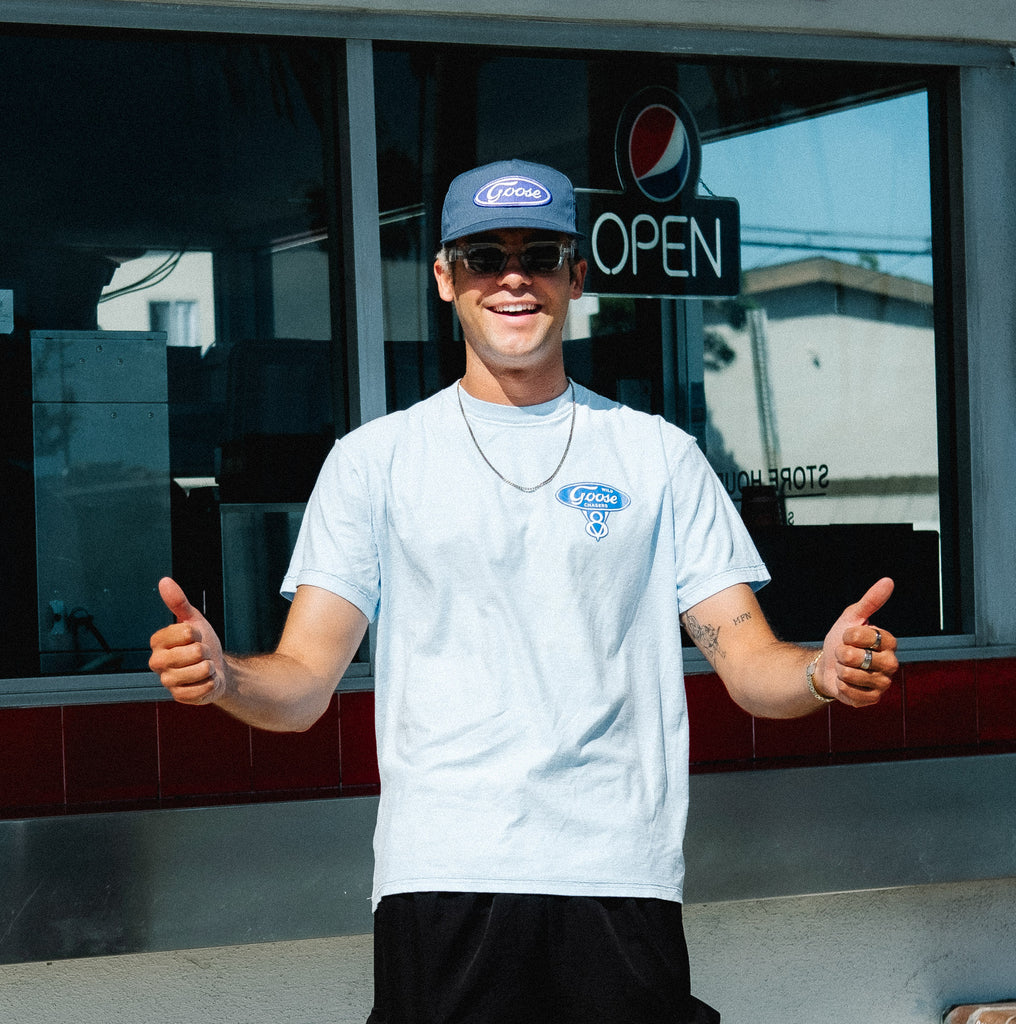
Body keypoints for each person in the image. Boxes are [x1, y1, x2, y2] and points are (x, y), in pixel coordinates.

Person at [150, 159, 899, 1024]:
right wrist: (227, 677)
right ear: (445, 278)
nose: (513, 278)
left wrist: (819, 673)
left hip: (616, 872)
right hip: (445, 876)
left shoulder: (658, 457)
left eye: (539, 255)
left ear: (575, 276)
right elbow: (304, 683)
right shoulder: (375, 462)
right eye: (484, 257)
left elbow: (750, 663)